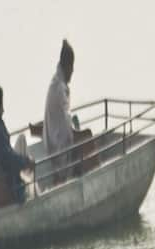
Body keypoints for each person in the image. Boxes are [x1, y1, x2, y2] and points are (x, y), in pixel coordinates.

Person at [42, 39, 94, 181]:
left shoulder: (55, 83)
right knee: (86, 143)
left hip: (51, 143)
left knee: (81, 140)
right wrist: (82, 136)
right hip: (58, 149)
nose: (73, 71)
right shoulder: (59, 89)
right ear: (67, 66)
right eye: (72, 66)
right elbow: (66, 129)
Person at [0, 84, 33, 206]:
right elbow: (10, 160)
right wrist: (27, 161)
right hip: (11, 192)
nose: (3, 110)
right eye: (1, 105)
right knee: (33, 186)